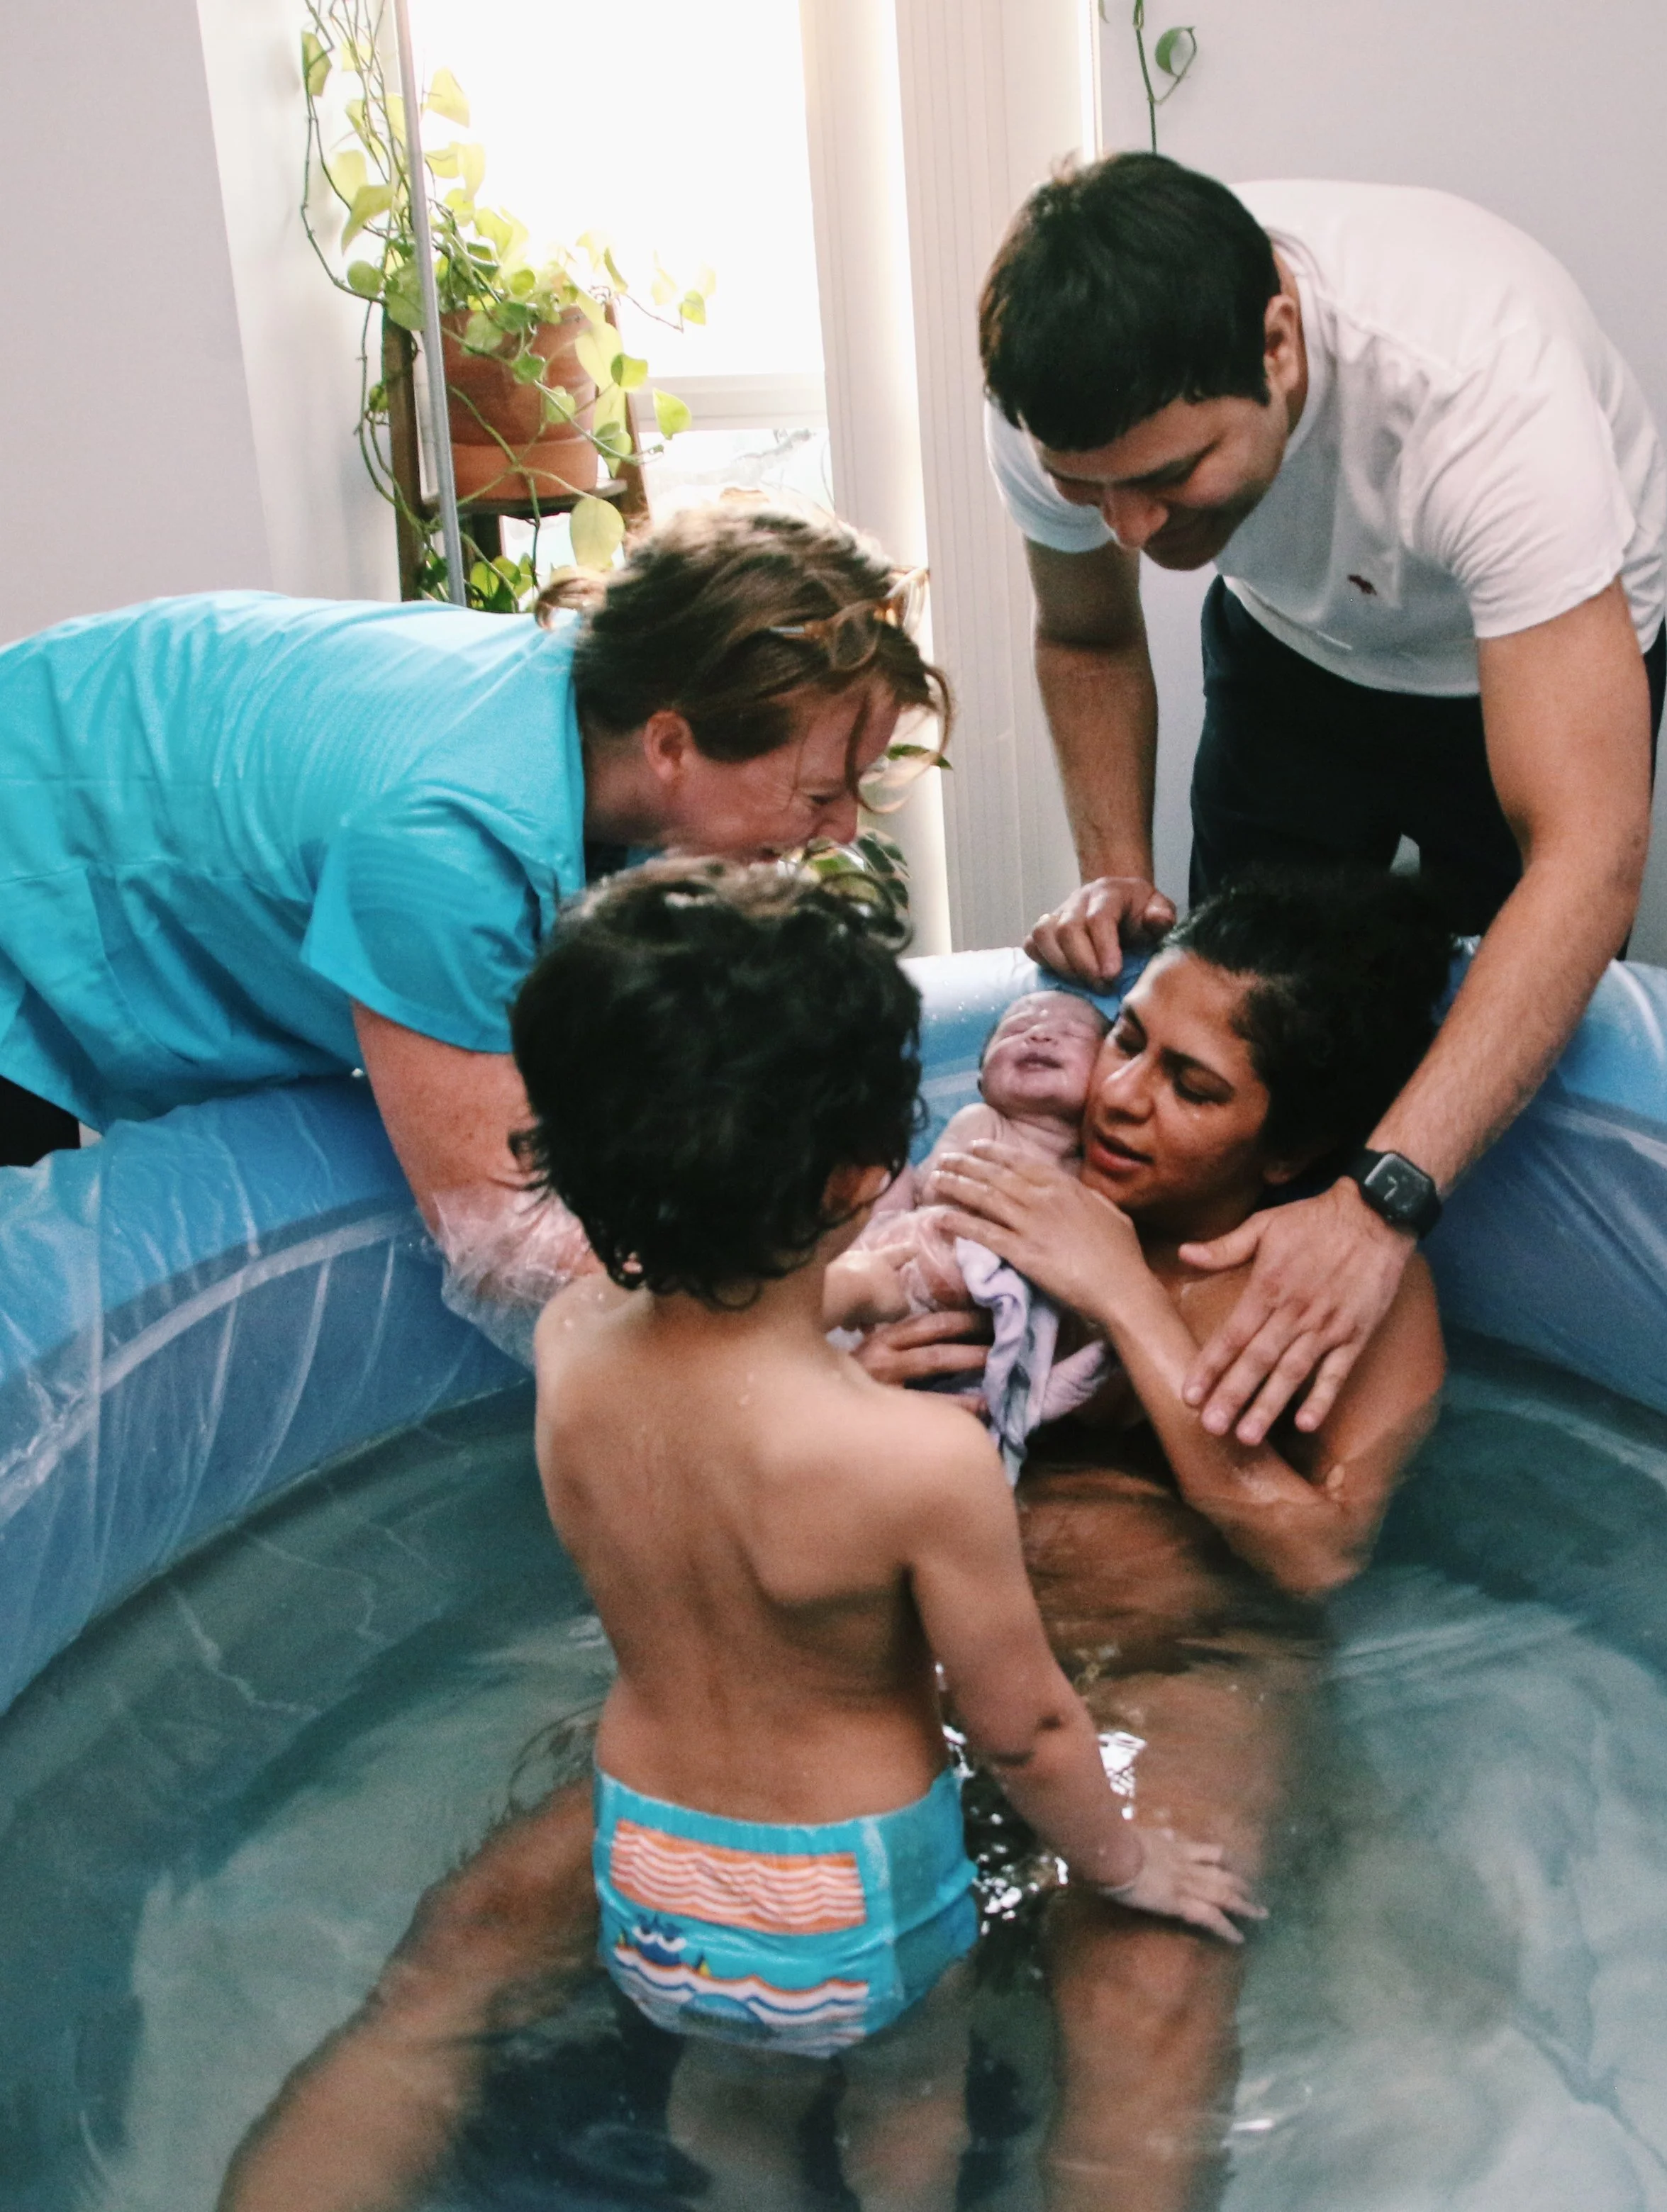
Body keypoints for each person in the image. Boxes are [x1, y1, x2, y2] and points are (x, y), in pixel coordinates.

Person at [512, 861, 1259, 2205]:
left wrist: (854, 1286)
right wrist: (1128, 1862)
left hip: (647, 1856)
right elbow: (1025, 1726)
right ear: (870, 1172)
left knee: (728, 2094)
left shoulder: (567, 1350)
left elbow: (714, 1337)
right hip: (848, 1891)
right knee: (909, 2096)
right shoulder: (913, 1461)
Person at [976, 151, 1666, 1453]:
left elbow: (1586, 859)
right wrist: (1118, 870)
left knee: (1469, 1075)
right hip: (1295, 644)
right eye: (1089, 490)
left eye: (1167, 476)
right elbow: (1087, 641)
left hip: (1519, 653)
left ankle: (1393, 1378)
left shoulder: (1479, 399)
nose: (1126, 528)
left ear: (1279, 344)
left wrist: (1381, 1201)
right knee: (1240, 1042)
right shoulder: (1057, 407)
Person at [0, 506, 947, 1328]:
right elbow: (502, 1252)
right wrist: (835, 1303)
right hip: (31, 817)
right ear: (670, 744)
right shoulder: (450, 844)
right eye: (820, 790)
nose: (844, 826)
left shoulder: (591, 715)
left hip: (98, 729)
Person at [920, 866, 1451, 2208]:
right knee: (511, 1908)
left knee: (1146, 1994)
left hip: (1187, 1664)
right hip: (921, 1637)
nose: (1119, 1094)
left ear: (1290, 1152)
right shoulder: (1008, 1178)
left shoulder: (1348, 1297)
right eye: (1134, 1037)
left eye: (1194, 1087)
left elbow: (1320, 1554)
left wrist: (1119, 1289)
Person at [831, 985, 1108, 1319]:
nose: (1039, 1035)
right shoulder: (983, 1122)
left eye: (1071, 1033)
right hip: (917, 1258)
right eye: (1016, 1029)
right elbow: (937, 1189)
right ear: (982, 1083)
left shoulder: (1095, 1171)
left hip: (1002, 1305)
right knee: (889, 1174)